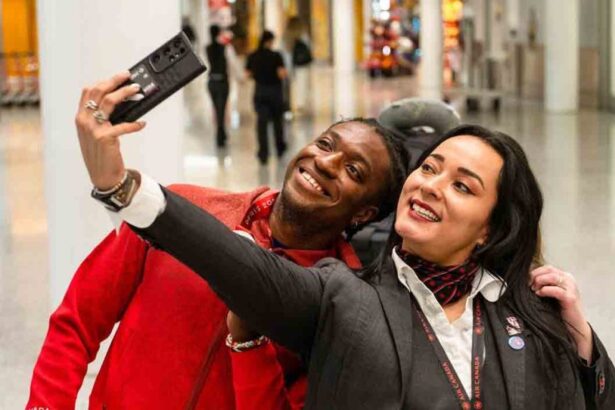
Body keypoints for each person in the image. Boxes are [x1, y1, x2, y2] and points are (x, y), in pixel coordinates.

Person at [77, 86, 614, 408]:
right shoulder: (343, 294)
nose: (430, 184)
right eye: (429, 168)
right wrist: (122, 187)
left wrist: (584, 345)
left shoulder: (530, 315)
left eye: (462, 185)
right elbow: (231, 258)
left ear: (491, 230)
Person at [26, 70, 415, 410]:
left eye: (353, 169)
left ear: (365, 213)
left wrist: (250, 339)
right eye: (327, 144)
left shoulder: (340, 302)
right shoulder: (180, 213)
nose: (325, 162)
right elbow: (76, 321)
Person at [246, 31, 287, 165]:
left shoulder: (253, 56)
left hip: (260, 92)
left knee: (261, 124)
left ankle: (263, 153)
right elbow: (282, 74)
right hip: (275, 92)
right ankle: (279, 148)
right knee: (277, 123)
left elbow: (247, 74)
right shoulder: (276, 56)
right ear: (269, 41)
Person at [206, 25, 244, 148]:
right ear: (219, 33)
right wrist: (240, 77)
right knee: (221, 108)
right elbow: (232, 64)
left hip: (212, 82)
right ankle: (220, 136)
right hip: (222, 82)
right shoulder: (226, 48)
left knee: (217, 108)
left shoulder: (207, 48)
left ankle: (221, 134)